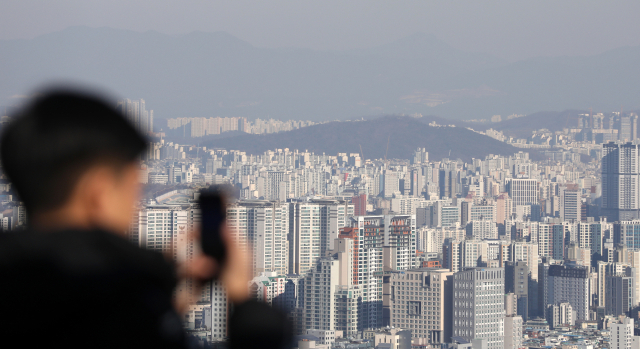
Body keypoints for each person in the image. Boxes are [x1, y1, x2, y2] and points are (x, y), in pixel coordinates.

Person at [0, 90, 266, 348]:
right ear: (99, 193)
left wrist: (160, 294)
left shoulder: (16, 285)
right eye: (134, 187)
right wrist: (246, 306)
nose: (138, 206)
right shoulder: (120, 312)